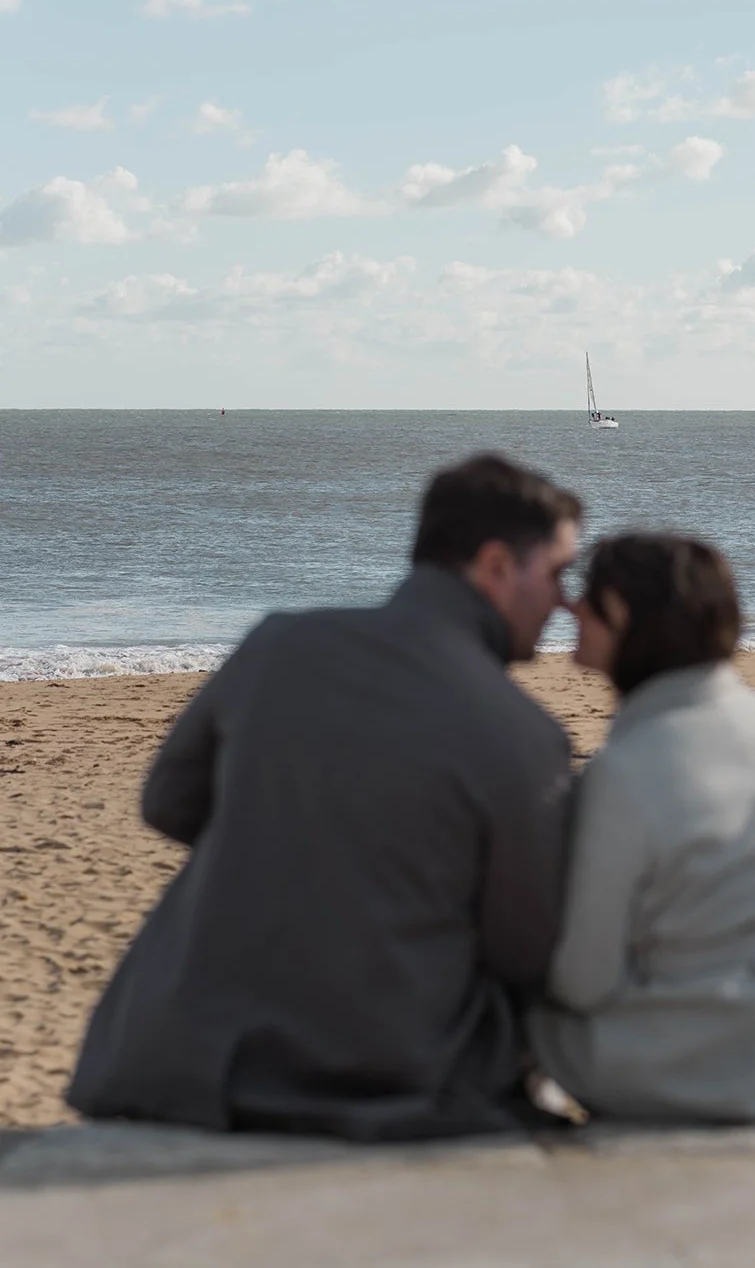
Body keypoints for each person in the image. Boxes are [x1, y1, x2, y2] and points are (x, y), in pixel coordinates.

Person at [68, 454, 581, 1141]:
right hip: (375, 1078)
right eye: (555, 573)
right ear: (494, 566)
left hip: (181, 1063)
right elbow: (522, 951)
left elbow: (166, 803)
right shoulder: (522, 737)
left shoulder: (280, 643)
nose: (563, 601)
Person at [529, 533, 755, 1123]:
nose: (570, 608)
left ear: (624, 615)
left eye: (587, 597)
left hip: (695, 1074)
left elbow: (585, 982)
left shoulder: (626, 771)